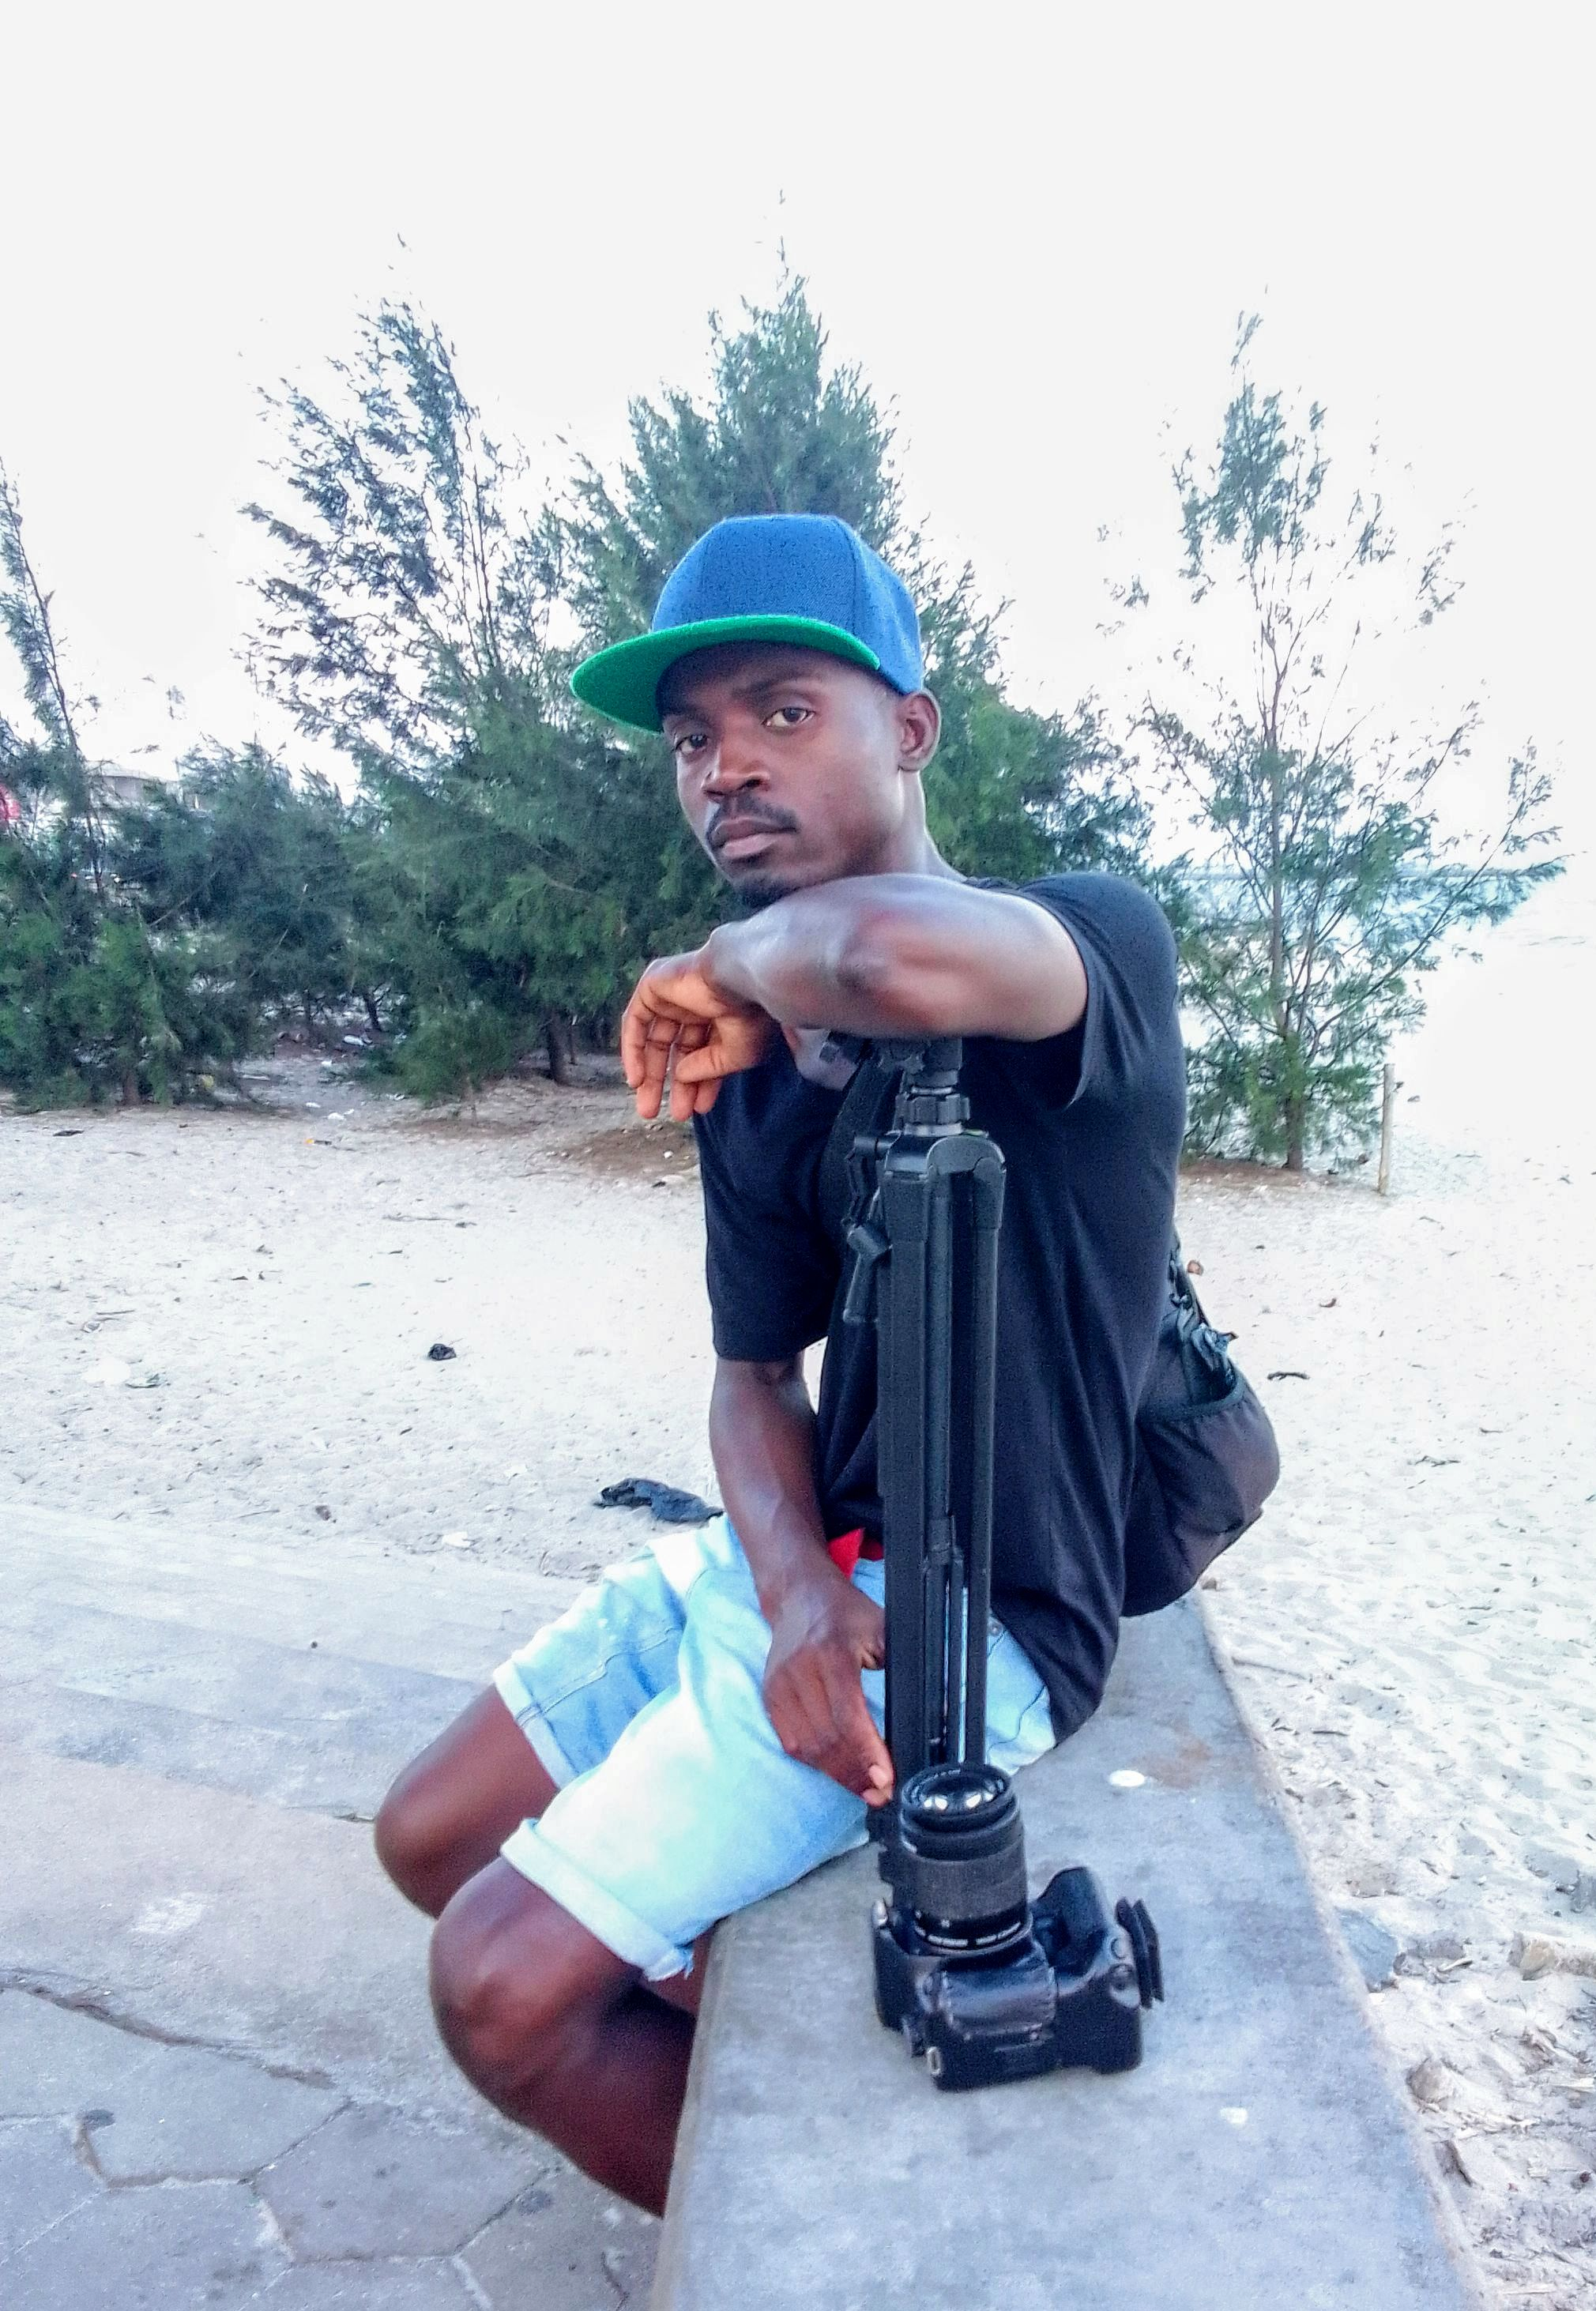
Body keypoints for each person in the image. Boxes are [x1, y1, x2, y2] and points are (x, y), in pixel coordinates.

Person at [374, 515, 1187, 2209]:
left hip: (985, 1622)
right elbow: (753, 1379)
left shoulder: (1081, 943)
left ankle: (811, 2273)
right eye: (692, 740)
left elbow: (888, 957)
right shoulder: (754, 1068)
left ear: (912, 728)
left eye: (783, 713)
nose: (725, 766)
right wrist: (795, 1595)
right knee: (427, 1840)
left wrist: (711, 961)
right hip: (807, 1572)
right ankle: (761, 2085)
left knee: (496, 1990)